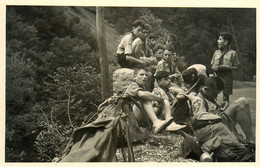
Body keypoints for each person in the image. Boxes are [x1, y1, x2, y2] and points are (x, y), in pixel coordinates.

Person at [177, 76, 255, 161]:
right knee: (241, 102)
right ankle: (252, 140)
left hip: (217, 126)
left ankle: (250, 139)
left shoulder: (209, 96)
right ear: (207, 89)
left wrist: (221, 109)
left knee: (243, 102)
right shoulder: (199, 99)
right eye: (216, 93)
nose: (217, 95)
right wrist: (220, 117)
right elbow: (200, 117)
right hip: (211, 130)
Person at [123, 67, 176, 134]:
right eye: (141, 75)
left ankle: (169, 122)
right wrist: (158, 99)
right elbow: (142, 95)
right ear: (134, 77)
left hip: (140, 116)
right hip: (129, 118)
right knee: (145, 98)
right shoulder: (133, 86)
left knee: (164, 101)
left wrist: (159, 102)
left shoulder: (143, 87)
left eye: (146, 75)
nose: (144, 77)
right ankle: (156, 122)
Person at [211, 32, 240, 108]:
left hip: (227, 76)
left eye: (220, 39)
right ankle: (215, 110)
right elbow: (212, 65)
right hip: (216, 75)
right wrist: (213, 68)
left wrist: (226, 67)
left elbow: (237, 68)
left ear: (226, 42)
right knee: (213, 94)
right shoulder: (216, 53)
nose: (217, 41)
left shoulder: (232, 53)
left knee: (225, 96)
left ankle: (225, 112)